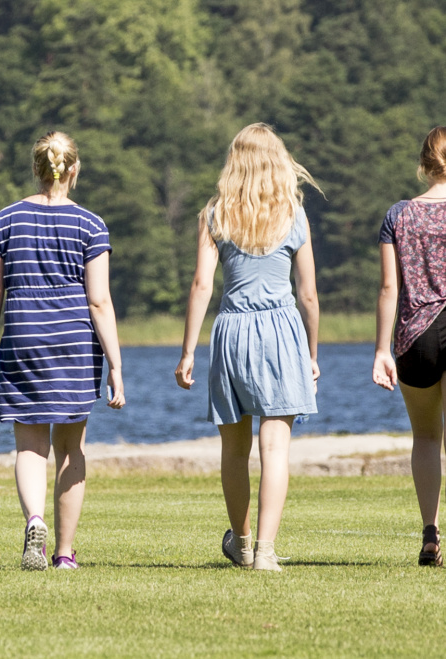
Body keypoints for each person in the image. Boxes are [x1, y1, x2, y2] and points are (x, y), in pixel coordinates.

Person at [175, 123, 320, 572]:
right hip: (280, 332)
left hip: (232, 331)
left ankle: (241, 542)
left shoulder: (216, 214)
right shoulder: (294, 215)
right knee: (274, 448)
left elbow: (202, 285)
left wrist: (187, 352)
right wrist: (312, 354)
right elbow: (309, 294)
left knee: (234, 450)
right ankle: (266, 553)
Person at [0, 130, 125, 571]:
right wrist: (116, 365)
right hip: (73, 343)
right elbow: (99, 301)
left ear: (36, 168)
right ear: (73, 169)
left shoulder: (4, 220)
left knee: (29, 447)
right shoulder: (90, 225)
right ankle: (63, 554)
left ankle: (34, 522)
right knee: (70, 450)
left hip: (21, 338)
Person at [372, 126, 446, 567]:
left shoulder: (397, 215)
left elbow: (387, 288)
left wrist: (382, 350)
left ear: (423, 165)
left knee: (425, 436)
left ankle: (430, 534)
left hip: (415, 336)